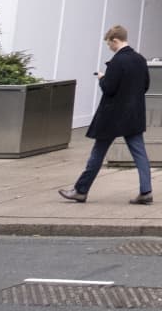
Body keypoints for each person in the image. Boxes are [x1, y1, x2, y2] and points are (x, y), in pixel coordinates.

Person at [59, 25, 152, 205]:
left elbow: (109, 88)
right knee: (140, 153)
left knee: (98, 152)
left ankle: (80, 190)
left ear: (115, 40)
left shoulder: (117, 61)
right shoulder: (140, 59)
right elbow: (145, 85)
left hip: (112, 116)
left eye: (109, 43)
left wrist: (102, 78)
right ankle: (146, 191)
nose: (109, 47)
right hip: (134, 114)